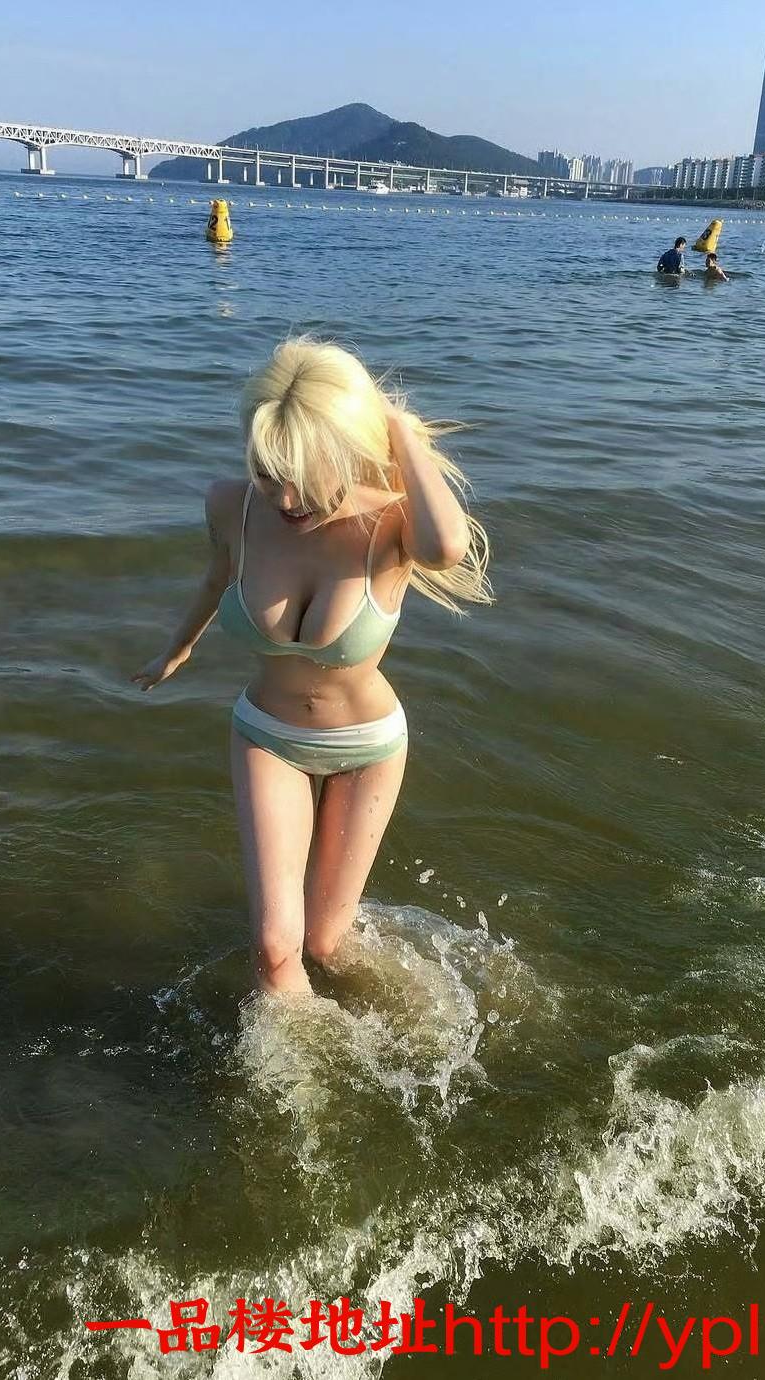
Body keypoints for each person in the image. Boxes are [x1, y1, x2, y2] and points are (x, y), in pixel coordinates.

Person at [131, 338, 492, 996]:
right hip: (267, 736)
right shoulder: (231, 505)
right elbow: (215, 579)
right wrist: (176, 649)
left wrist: (398, 431)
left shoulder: (390, 523)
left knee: (326, 942)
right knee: (275, 949)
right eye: (269, 472)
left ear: (345, 449)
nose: (288, 497)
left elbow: (447, 547)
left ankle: (411, 1015)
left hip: (367, 745)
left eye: (307, 472)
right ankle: (299, 1061)